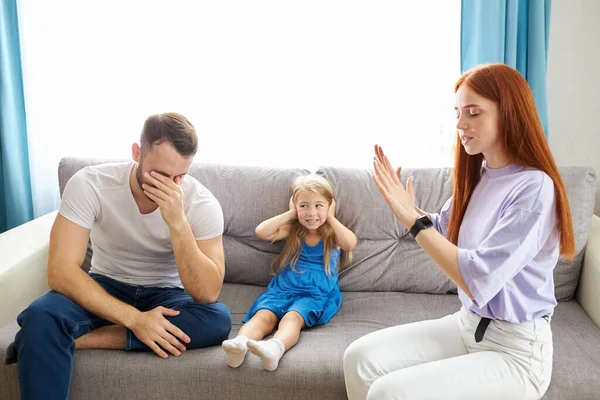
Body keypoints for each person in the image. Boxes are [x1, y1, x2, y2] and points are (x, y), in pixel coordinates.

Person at [343, 63, 575, 400]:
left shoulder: (534, 187)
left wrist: (413, 221)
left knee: (387, 393)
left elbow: (478, 277)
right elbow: (443, 230)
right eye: (457, 113)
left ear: (508, 113)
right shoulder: (482, 175)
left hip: (516, 352)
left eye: (473, 113)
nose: (460, 125)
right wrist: (409, 211)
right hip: (467, 325)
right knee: (359, 359)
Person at [6, 112, 232, 400]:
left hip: (166, 294)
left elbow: (208, 293)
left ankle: (80, 339)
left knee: (218, 320)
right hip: (105, 283)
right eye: (162, 174)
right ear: (137, 153)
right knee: (39, 316)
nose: (172, 186)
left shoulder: (202, 203)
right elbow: (61, 271)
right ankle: (64, 333)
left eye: (180, 176)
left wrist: (178, 222)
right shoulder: (91, 184)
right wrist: (136, 320)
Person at [222, 175, 357, 371]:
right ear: (295, 206)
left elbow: (350, 243)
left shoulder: (331, 234)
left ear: (330, 206)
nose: (311, 213)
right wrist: (290, 214)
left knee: (292, 318)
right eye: (304, 206)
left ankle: (275, 349)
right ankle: (240, 345)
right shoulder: (294, 230)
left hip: (314, 293)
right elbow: (262, 231)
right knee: (263, 316)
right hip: (283, 288)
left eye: (318, 205)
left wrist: (330, 217)